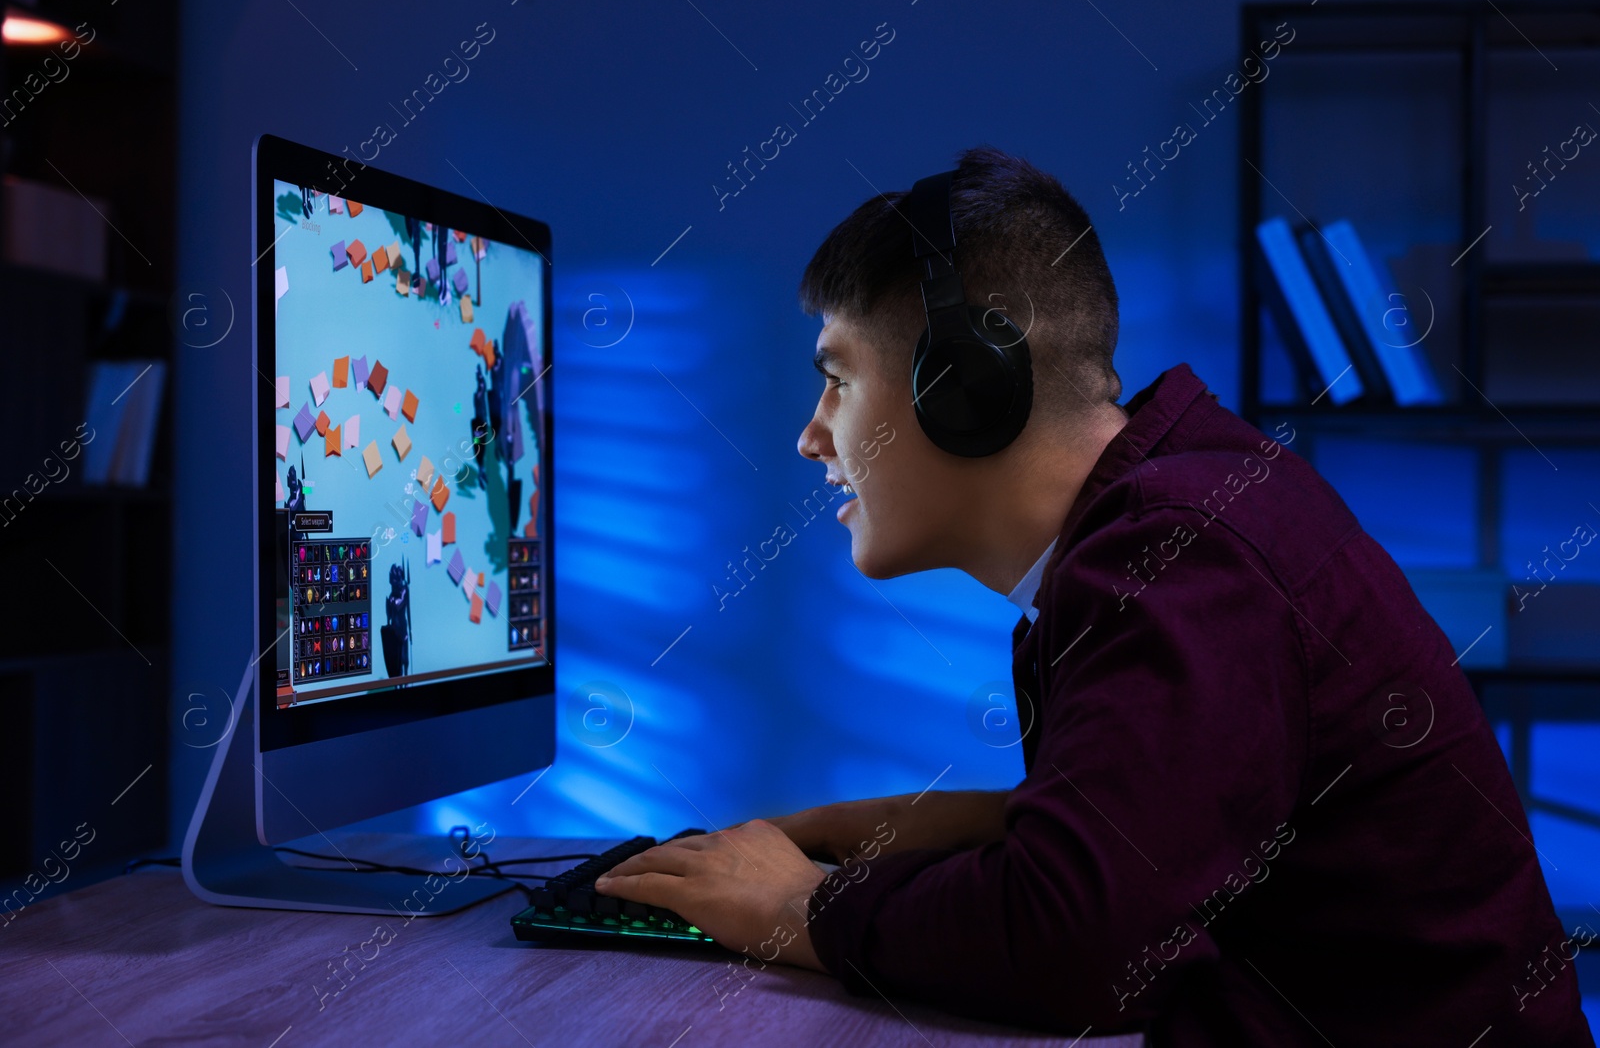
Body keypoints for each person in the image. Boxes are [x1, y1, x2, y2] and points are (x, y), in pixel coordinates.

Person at [593, 147, 1593, 1045]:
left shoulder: (1181, 553)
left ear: (963, 384)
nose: (811, 435)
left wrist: (799, 903)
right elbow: (1140, 828)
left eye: (837, 381)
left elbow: (1078, 941)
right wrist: (855, 826)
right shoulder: (1168, 513)